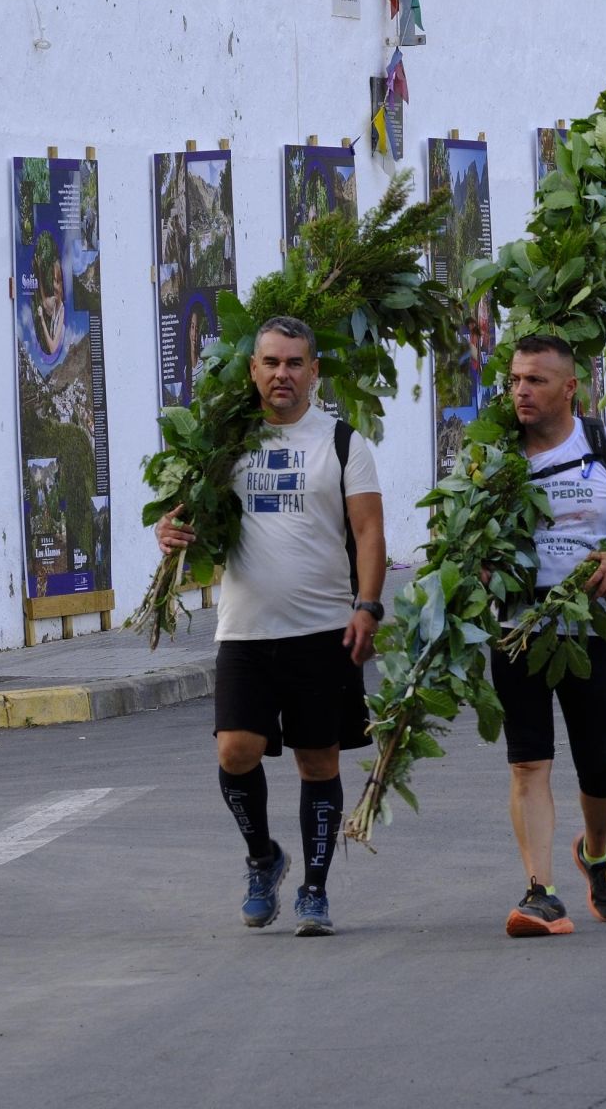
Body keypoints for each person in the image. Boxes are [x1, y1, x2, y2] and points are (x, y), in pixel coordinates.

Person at [156, 315, 387, 936]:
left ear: (314, 372)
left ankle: (315, 890)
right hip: (245, 631)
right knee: (236, 750)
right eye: (270, 362)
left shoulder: (341, 443)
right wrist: (169, 532)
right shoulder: (224, 443)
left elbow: (369, 533)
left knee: (319, 760)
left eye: (293, 363)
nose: (281, 374)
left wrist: (368, 606)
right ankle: (263, 858)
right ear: (252, 369)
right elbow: (190, 517)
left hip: (322, 631)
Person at [497, 335, 606, 937]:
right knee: (528, 762)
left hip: (586, 630)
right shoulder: (494, 455)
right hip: (514, 630)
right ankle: (539, 891)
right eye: (516, 379)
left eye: (536, 380)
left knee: (599, 768)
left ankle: (595, 851)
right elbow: (458, 539)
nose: (521, 390)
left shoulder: (605, 447)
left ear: (570, 388)